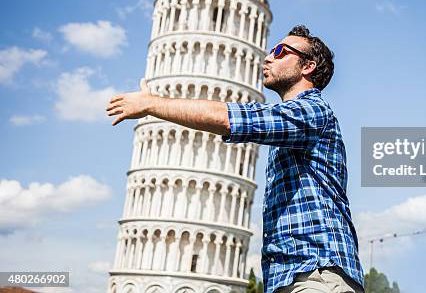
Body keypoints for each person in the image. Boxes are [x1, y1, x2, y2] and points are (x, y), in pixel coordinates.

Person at [106, 25, 365, 293]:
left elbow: (229, 118)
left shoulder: (312, 111)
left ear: (307, 67)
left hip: (317, 274)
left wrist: (152, 104)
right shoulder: (293, 124)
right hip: (295, 276)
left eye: (280, 51)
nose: (268, 57)